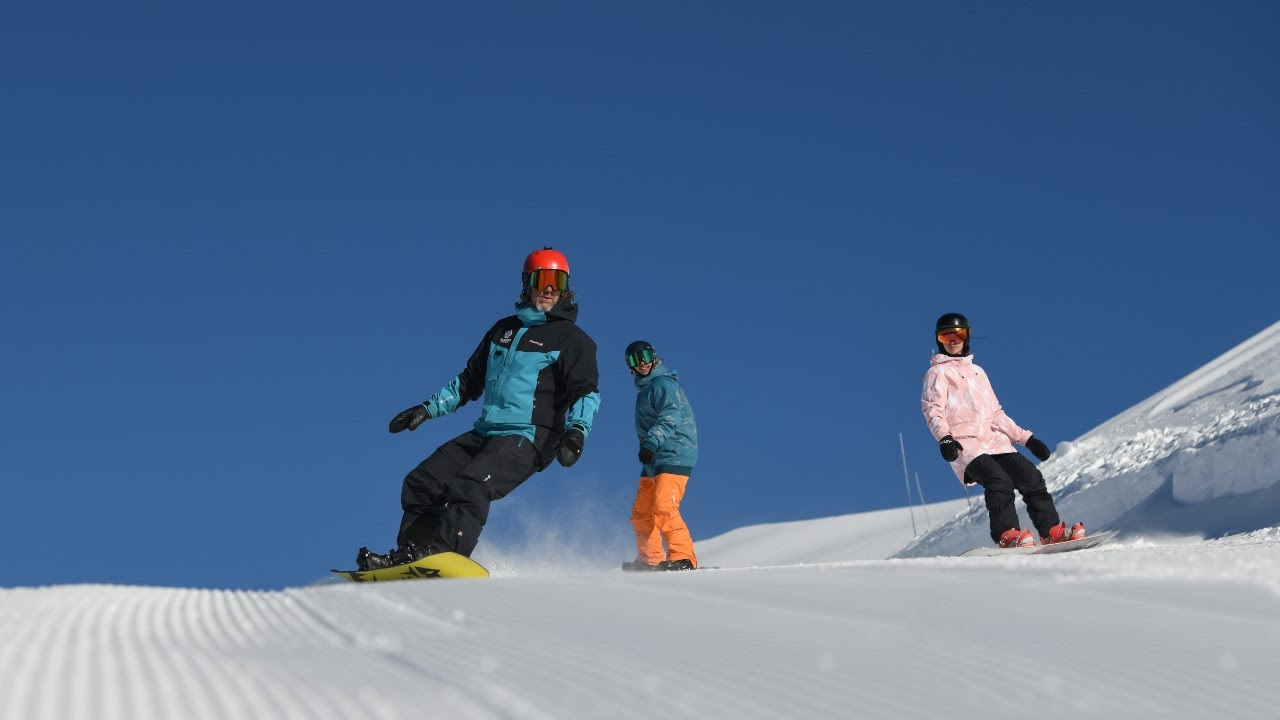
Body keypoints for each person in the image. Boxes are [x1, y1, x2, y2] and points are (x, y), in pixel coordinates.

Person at [356, 247, 601, 570]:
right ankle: (412, 557)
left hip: (529, 437)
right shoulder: (503, 330)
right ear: (527, 282)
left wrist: (576, 433)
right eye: (542, 278)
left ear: (566, 286)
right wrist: (426, 410)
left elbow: (586, 392)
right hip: (488, 432)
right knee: (422, 481)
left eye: (557, 280)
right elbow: (469, 381)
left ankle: (445, 558)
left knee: (472, 484)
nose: (549, 288)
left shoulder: (572, 339)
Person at [921, 313, 1084, 548]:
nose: (952, 340)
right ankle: (1007, 535)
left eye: (958, 334)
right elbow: (933, 409)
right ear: (939, 340)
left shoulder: (978, 372)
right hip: (965, 445)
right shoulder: (937, 374)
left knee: (1030, 477)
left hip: (994, 441)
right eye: (945, 335)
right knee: (998, 481)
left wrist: (1026, 439)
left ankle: (1051, 532)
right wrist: (945, 438)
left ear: (966, 336)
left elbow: (996, 413)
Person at [620, 340, 700, 571]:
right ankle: (650, 558)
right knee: (641, 514)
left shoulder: (664, 384)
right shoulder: (646, 390)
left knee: (664, 507)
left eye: (645, 356)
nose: (642, 363)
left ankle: (684, 557)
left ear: (654, 357)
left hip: (675, 452)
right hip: (655, 457)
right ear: (630, 366)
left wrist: (652, 441)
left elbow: (670, 415)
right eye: (635, 360)